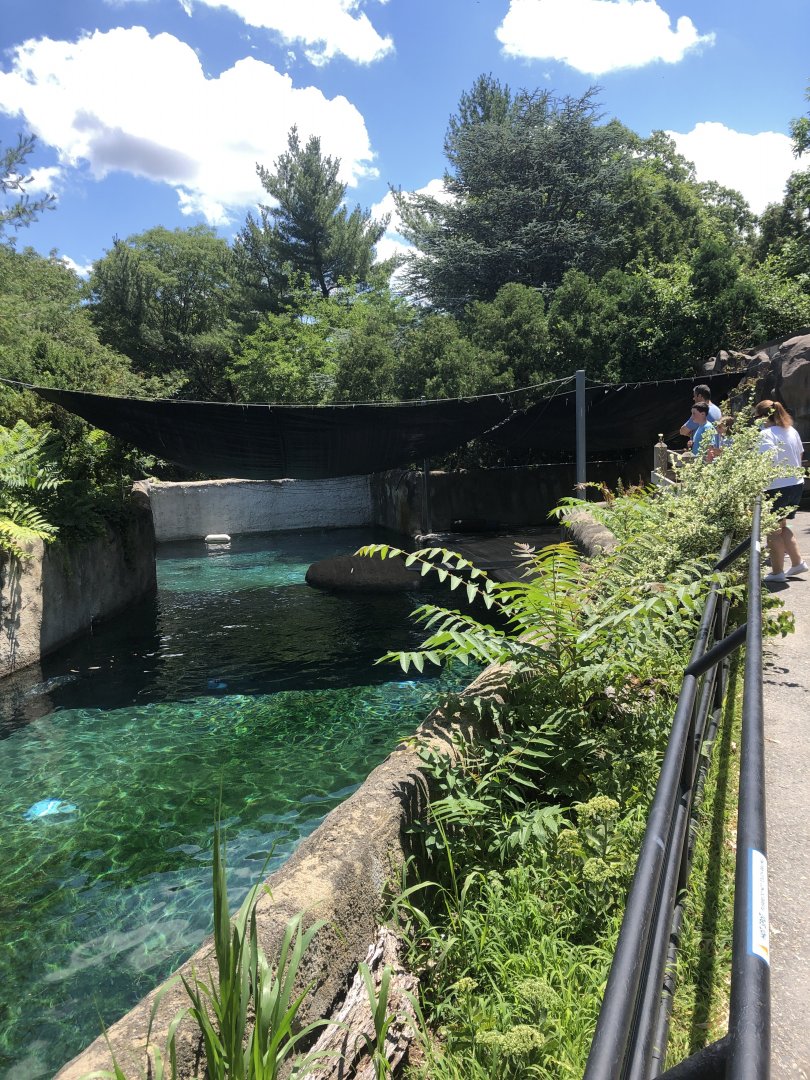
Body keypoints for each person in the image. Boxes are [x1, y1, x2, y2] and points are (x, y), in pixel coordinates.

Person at [755, 399, 808, 583]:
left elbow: (766, 460)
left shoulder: (766, 434)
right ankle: (797, 562)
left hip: (776, 486)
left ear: (761, 417)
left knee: (772, 531)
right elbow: (800, 454)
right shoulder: (791, 430)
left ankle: (777, 572)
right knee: (783, 525)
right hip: (796, 483)